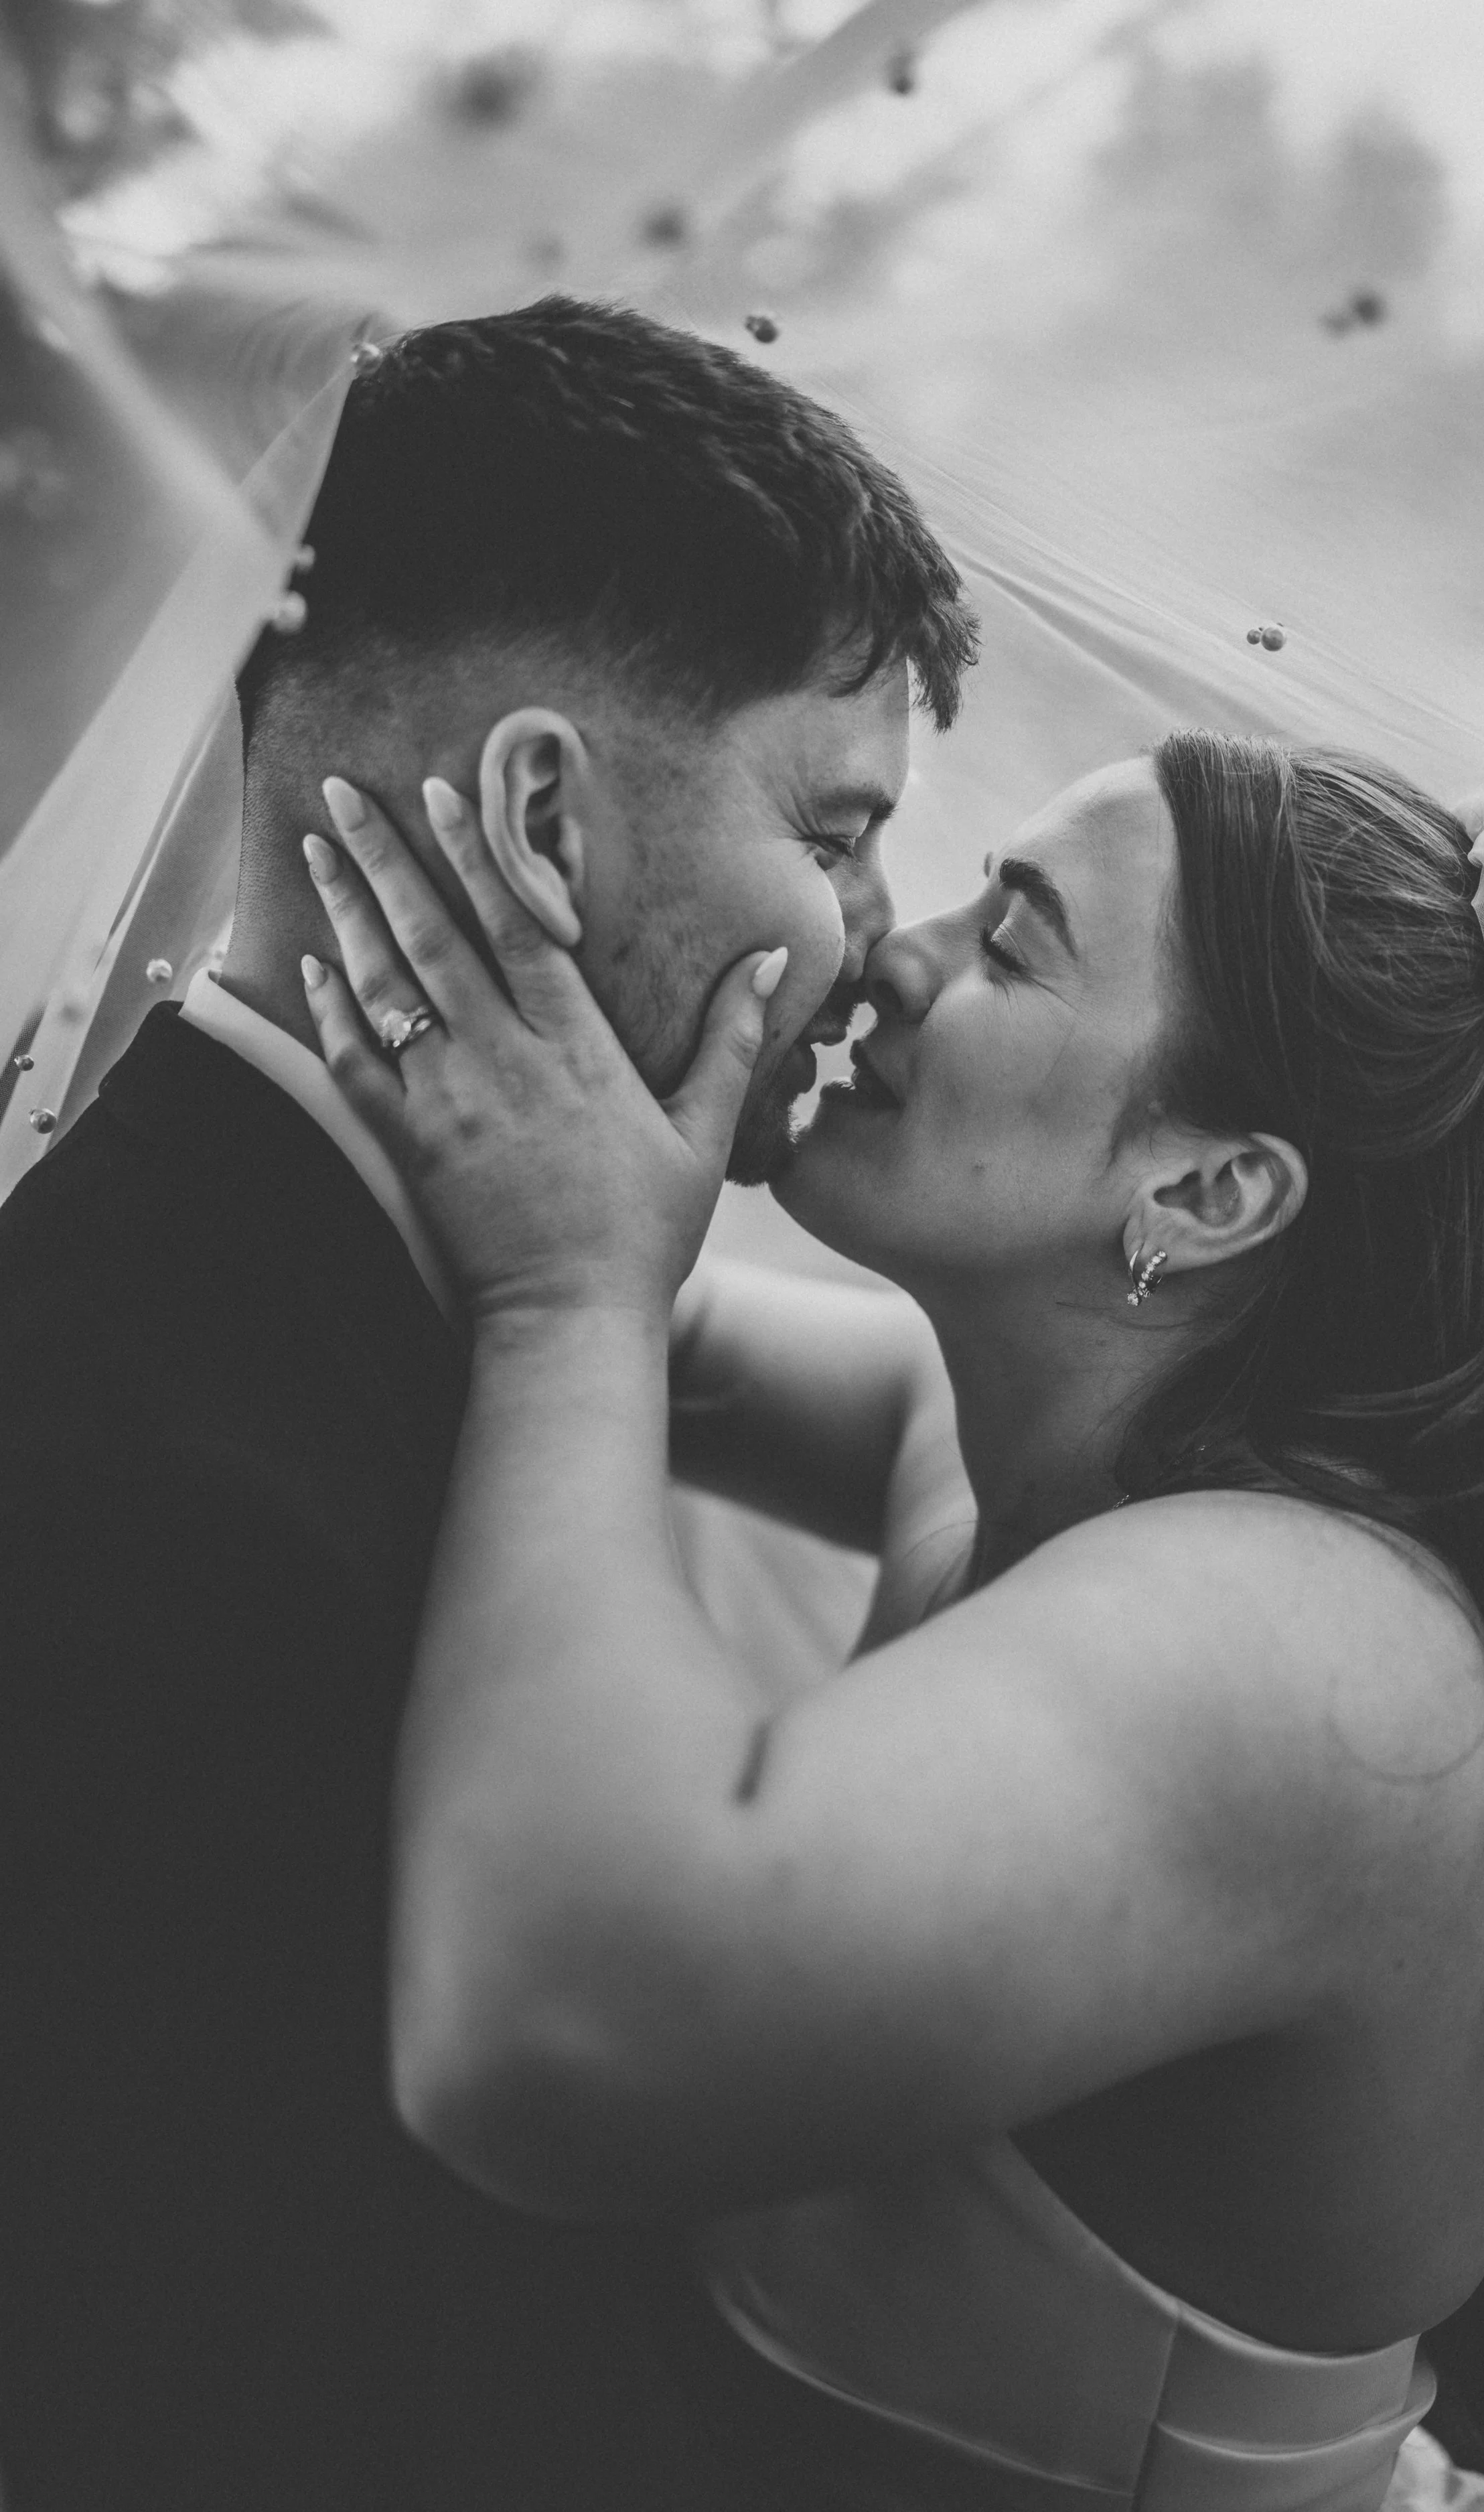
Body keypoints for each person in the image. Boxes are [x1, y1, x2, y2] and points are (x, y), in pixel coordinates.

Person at [297, 731, 1484, 2512]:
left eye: (1008, 944)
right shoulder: (1006, 1443)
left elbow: (550, 2023)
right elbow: (562, 1244)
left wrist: (569, 1303)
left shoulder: (1323, 1650)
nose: (891, 950)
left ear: (1205, 1193)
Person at [0, 295, 976, 2511]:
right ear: (540, 818)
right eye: (835, 827)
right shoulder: (139, 1501)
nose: (876, 935)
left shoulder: (429, 1310)